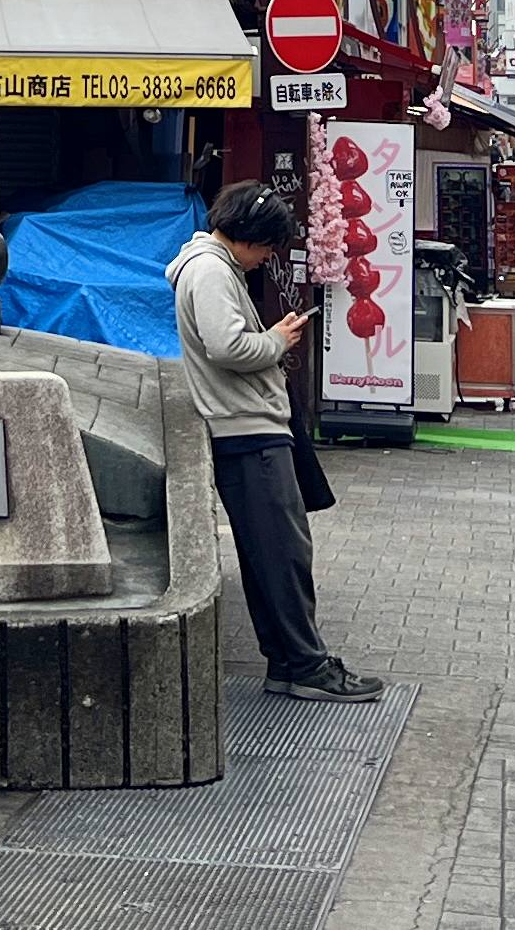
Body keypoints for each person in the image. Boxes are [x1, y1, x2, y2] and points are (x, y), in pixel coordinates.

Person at [165, 184, 381, 703]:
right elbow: (228, 346)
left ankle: (287, 663)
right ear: (246, 234)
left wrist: (271, 338)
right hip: (246, 430)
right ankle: (306, 665)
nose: (267, 258)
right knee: (283, 554)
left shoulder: (213, 267)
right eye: (266, 246)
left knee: (269, 555)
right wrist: (277, 341)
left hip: (247, 429)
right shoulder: (212, 271)